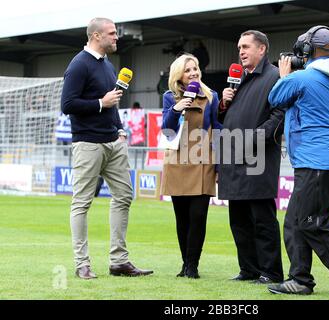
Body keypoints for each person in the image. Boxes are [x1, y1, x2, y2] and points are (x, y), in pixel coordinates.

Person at [267, 26, 329, 295]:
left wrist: (285, 75)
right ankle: (300, 279)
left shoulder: (303, 78)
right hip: (323, 160)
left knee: (311, 222)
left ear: (308, 50)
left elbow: (275, 97)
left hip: (315, 161)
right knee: (295, 222)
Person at [61, 17, 153, 279]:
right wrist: (100, 103)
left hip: (114, 141)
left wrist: (120, 128)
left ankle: (119, 261)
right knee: (82, 203)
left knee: (124, 196)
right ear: (96, 36)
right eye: (112, 33)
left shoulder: (109, 66)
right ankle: (82, 264)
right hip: (88, 143)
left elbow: (113, 101)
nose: (116, 37)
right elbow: (68, 105)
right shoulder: (78, 65)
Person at [218, 30, 285, 284]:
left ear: (262, 49)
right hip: (233, 159)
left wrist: (253, 138)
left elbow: (279, 116)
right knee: (239, 222)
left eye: (246, 46)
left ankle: (271, 272)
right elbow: (225, 119)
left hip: (258, 160)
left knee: (262, 221)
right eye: (239, 47)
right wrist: (224, 104)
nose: (241, 51)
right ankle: (248, 269)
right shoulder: (239, 79)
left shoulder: (276, 77)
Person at [160, 53, 222, 278]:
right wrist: (177, 109)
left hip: (203, 159)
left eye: (195, 68)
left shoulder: (211, 96)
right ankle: (185, 264)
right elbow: (166, 129)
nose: (193, 72)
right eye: (188, 70)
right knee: (182, 217)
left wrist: (219, 165)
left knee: (198, 216)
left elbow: (218, 129)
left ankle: (193, 265)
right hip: (177, 160)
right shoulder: (169, 97)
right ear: (179, 75)